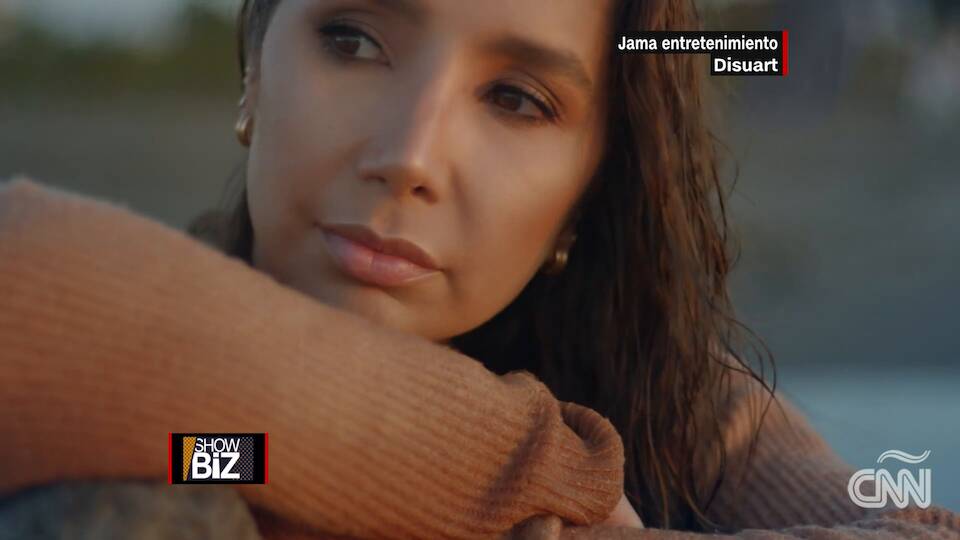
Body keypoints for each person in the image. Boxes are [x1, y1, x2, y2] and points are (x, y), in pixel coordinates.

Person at [1, 0, 957, 539]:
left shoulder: (670, 404)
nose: (411, 156)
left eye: (516, 98)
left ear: (587, 193)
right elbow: (27, 272)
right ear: (254, 64)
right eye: (353, 40)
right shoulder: (209, 439)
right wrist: (518, 465)